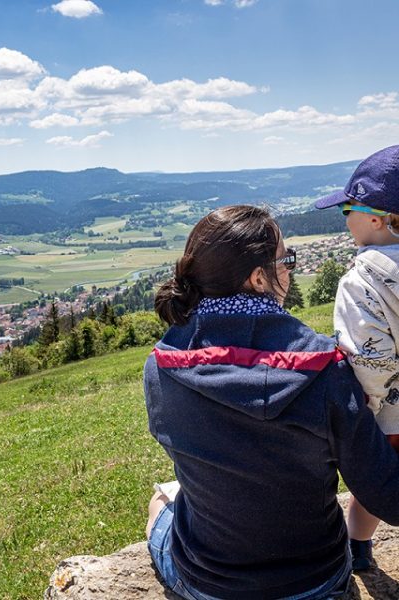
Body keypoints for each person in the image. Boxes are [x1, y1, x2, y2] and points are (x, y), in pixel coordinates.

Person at [144, 204, 399, 600]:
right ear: (259, 278)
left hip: (208, 583)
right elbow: (386, 493)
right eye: (286, 261)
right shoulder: (325, 371)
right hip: (316, 581)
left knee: (160, 499)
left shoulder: (159, 366)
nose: (291, 270)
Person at [314, 144, 399, 571]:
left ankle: (359, 552)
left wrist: (364, 410)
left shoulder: (362, 280)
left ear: (377, 219)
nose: (344, 217)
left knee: (374, 489)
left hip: (390, 421)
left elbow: (371, 362)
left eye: (347, 206)